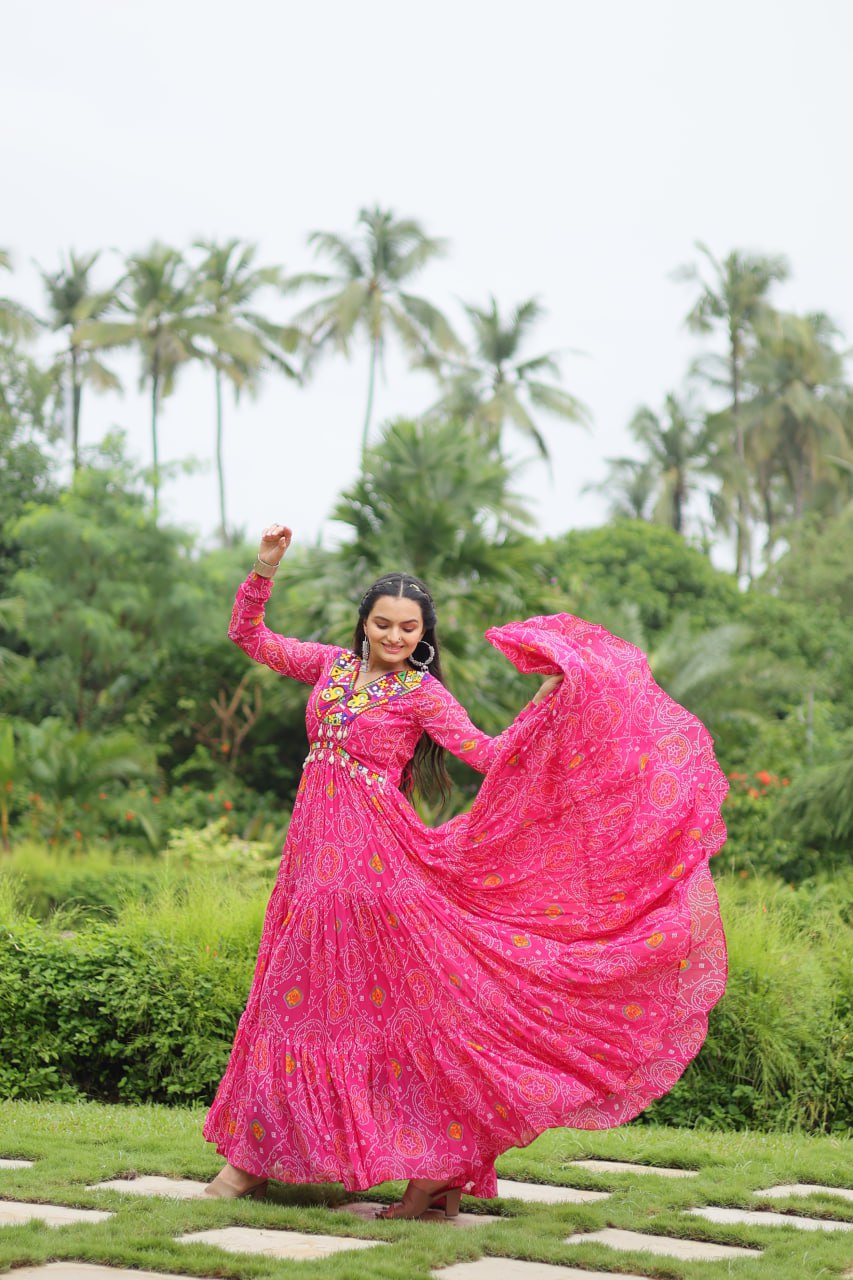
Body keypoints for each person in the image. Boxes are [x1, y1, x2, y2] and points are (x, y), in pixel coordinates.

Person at [203, 523, 728, 1219]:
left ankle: (404, 1173)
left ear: (422, 635)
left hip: (371, 868)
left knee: (379, 1006)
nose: (392, 636)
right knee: (299, 997)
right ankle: (284, 1164)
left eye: (406, 628)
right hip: (307, 864)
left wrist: (551, 709)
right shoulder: (329, 667)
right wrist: (264, 569)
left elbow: (485, 755)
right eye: (382, 624)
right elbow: (251, 638)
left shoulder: (419, 693)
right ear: (364, 624)